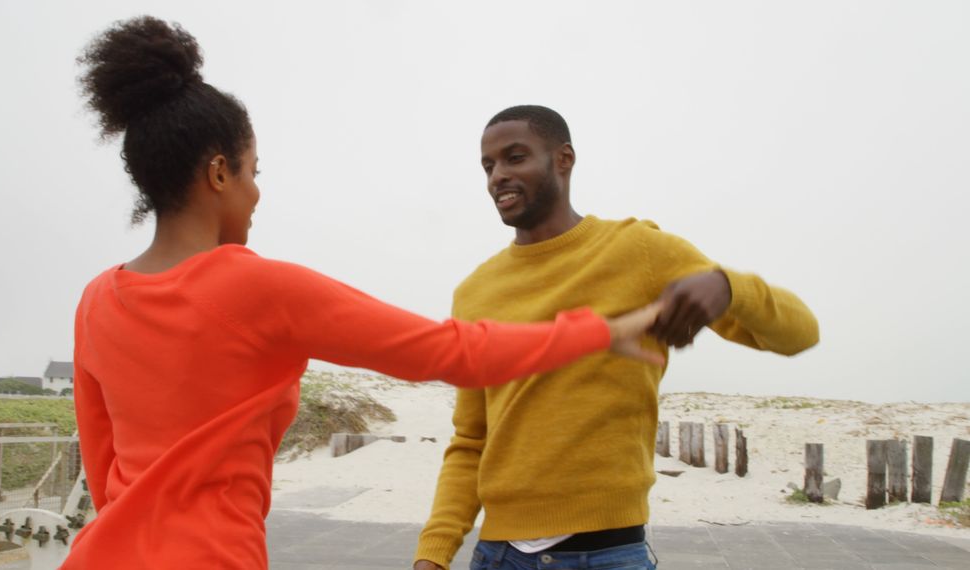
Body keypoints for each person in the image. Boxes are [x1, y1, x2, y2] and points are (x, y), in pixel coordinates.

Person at [68, 19, 668, 570]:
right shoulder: (255, 286)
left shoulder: (97, 300)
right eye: (254, 173)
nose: (255, 194)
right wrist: (598, 331)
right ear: (219, 173)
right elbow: (449, 351)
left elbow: (103, 471)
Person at [413, 106, 819, 570]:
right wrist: (434, 554)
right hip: (500, 555)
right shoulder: (475, 292)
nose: (498, 176)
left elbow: (800, 333)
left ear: (563, 159)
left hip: (609, 554)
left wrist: (728, 286)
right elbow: (471, 439)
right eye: (489, 166)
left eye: (515, 157)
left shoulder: (637, 251)